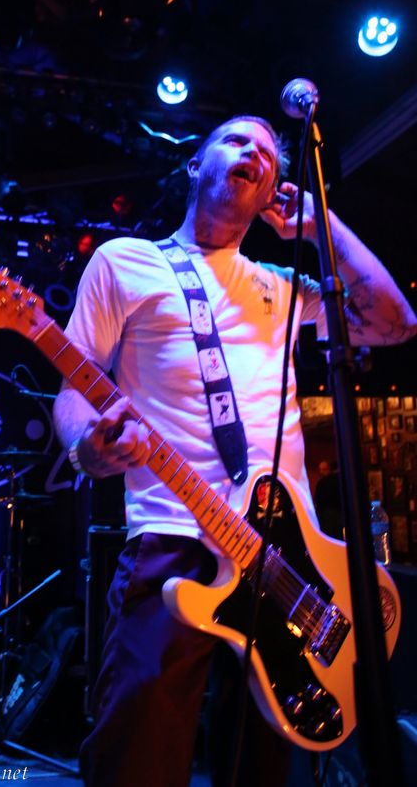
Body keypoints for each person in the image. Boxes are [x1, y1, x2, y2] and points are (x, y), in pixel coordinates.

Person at [52, 115, 417, 787]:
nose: (255, 152)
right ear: (196, 165)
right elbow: (75, 387)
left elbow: (395, 322)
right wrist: (87, 450)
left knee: (258, 766)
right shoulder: (125, 261)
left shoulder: (283, 286)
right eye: (236, 140)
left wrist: (321, 228)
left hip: (286, 557)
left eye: (270, 154)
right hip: (174, 535)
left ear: (274, 191)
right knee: (138, 755)